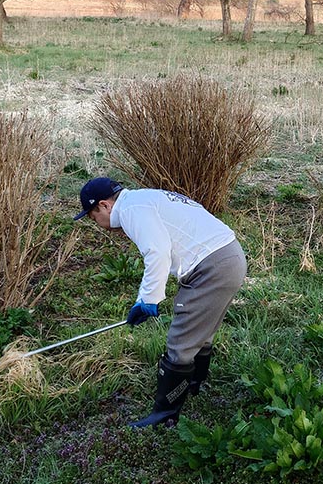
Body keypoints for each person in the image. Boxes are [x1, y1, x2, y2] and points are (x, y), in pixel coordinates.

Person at [74, 177, 247, 428]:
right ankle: (194, 384)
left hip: (214, 265)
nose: (97, 224)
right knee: (200, 329)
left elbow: (157, 252)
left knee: (181, 339)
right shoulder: (142, 198)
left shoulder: (132, 209)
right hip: (226, 256)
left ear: (104, 205)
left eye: (93, 217)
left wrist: (147, 300)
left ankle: (164, 416)